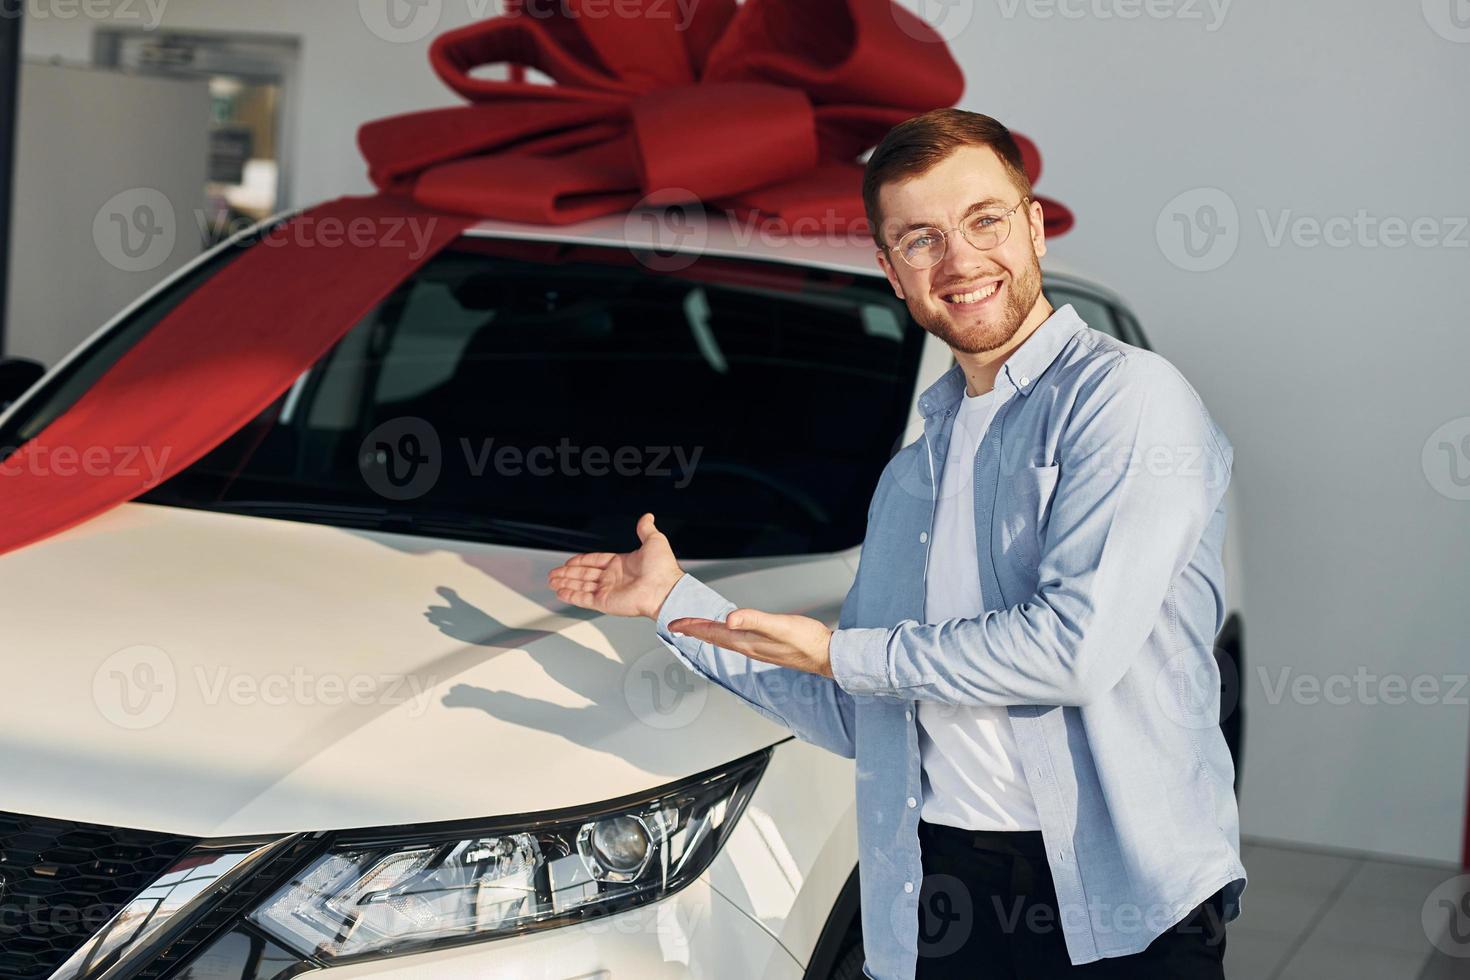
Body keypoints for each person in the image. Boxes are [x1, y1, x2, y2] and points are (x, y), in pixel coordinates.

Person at [547, 108, 1245, 979]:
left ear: (1031, 226)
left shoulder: (1127, 399)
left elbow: (1072, 651)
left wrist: (841, 651)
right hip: (935, 882)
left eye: (984, 221)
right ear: (892, 269)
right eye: (920, 239)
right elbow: (864, 711)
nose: (959, 262)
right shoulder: (913, 475)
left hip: (1114, 901)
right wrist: (676, 604)